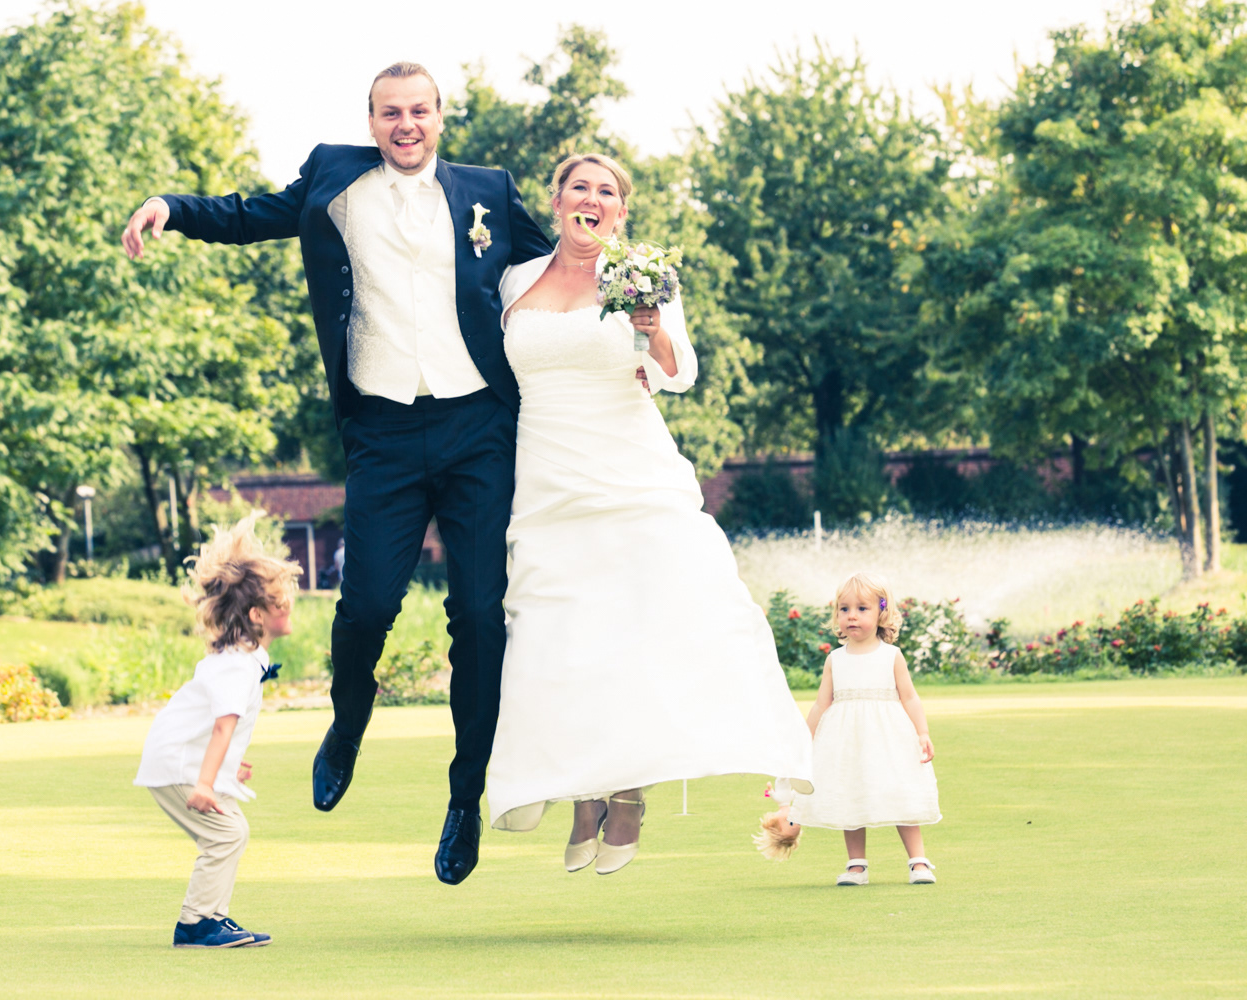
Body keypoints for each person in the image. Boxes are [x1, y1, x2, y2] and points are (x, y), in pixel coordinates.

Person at [122, 63, 554, 885]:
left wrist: (630, 296)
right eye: (391, 113)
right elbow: (250, 214)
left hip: (477, 428)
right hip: (383, 431)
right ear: (372, 120)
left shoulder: (488, 190)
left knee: (479, 619)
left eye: (419, 111)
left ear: (440, 117)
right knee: (365, 610)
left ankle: (465, 798)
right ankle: (348, 721)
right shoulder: (333, 177)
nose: (406, 125)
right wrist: (171, 208)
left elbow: (555, 269)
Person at [485, 153, 814, 875]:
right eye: (579, 187)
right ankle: (583, 787)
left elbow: (678, 372)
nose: (591, 199)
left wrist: (653, 327)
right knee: (558, 636)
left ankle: (629, 794)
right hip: (545, 477)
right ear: (556, 201)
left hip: (629, 470)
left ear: (621, 210)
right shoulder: (513, 278)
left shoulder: (643, 276)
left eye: (606, 191)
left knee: (640, 628)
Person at [133, 513, 300, 947]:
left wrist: (227, 768)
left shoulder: (242, 659)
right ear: (256, 615)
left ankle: (210, 919)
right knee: (226, 833)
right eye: (279, 603)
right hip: (176, 764)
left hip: (181, 758)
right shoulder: (237, 666)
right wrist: (206, 784)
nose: (288, 608)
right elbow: (224, 726)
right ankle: (195, 923)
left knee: (231, 832)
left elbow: (217, 726)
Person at [788, 571, 941, 885]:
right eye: (844, 609)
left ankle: (918, 861)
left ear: (881, 612)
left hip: (889, 739)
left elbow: (910, 697)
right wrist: (805, 738)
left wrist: (923, 732)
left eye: (861, 608)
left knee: (899, 791)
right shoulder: (835, 659)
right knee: (850, 792)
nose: (851, 616)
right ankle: (856, 865)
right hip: (846, 741)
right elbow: (821, 703)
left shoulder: (892, 656)